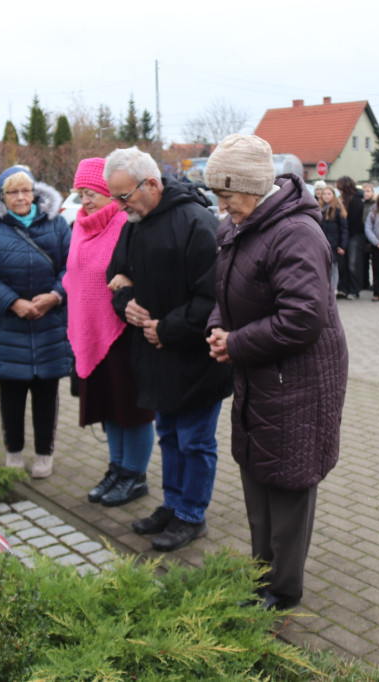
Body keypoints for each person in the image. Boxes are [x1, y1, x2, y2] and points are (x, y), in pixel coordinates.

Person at [203, 134, 348, 611]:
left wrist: (237, 343)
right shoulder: (242, 225)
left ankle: (282, 593)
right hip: (262, 373)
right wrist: (219, 327)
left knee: (286, 486)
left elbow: (304, 317)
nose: (222, 207)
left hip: (296, 380)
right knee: (258, 478)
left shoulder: (296, 233)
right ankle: (259, 576)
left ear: (251, 185)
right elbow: (227, 292)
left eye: (226, 195)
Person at [104, 146, 233, 552]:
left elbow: (215, 297)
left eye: (124, 196)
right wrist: (127, 306)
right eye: (115, 197)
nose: (119, 206)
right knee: (170, 436)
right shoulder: (134, 224)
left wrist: (167, 328)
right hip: (155, 356)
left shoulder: (197, 222)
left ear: (153, 184)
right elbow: (115, 276)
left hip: (195, 358)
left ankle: (192, 515)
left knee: (195, 440)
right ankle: (173, 503)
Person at [62, 158, 155, 507]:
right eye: (80, 193)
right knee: (107, 406)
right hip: (89, 332)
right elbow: (73, 275)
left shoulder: (125, 225)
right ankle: (116, 469)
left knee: (131, 409)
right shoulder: (79, 226)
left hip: (122, 332)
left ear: (109, 193)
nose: (85, 201)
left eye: (92, 193)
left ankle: (135, 475)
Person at [0, 166, 73, 478]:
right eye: (12, 192)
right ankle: (13, 452)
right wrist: (13, 302)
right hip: (8, 327)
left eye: (25, 190)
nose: (20, 197)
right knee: (11, 396)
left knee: (46, 396)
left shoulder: (57, 226)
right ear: (2, 197)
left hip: (49, 324)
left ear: (35, 192)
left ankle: (44, 453)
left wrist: (55, 295)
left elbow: (73, 267)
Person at [336, 176, 364, 300]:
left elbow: (353, 219)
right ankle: (344, 288)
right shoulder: (341, 199)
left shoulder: (357, 200)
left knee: (353, 264)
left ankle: (354, 290)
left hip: (355, 235)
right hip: (344, 235)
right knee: (343, 263)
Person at [317, 185, 348, 296]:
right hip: (321, 243)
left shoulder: (338, 209)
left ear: (334, 196)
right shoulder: (319, 209)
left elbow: (344, 229)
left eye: (329, 194)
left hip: (334, 243)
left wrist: (343, 245)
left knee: (333, 266)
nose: (326, 196)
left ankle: (334, 289)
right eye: (324, 194)